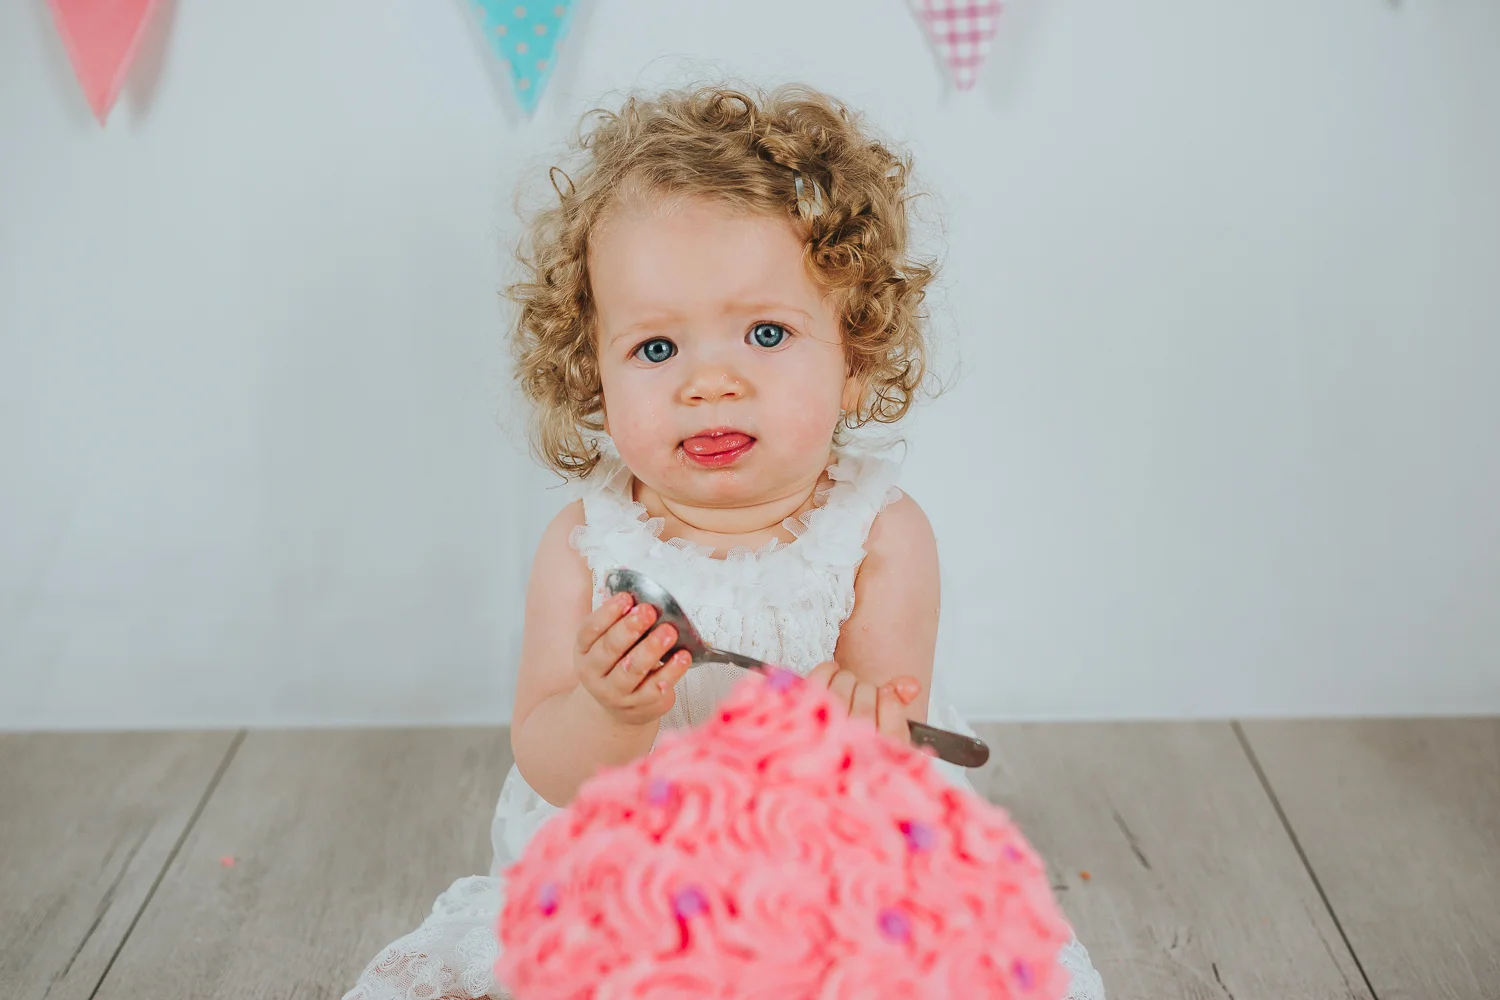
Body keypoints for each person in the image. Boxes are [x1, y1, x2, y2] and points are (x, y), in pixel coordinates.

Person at [344, 82, 1106, 1000]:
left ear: (855, 358)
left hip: (821, 849)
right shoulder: (586, 545)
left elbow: (886, 743)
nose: (709, 383)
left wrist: (857, 739)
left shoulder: (881, 535)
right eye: (657, 349)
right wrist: (610, 711)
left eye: (766, 333)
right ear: (593, 373)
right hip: (630, 858)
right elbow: (551, 765)